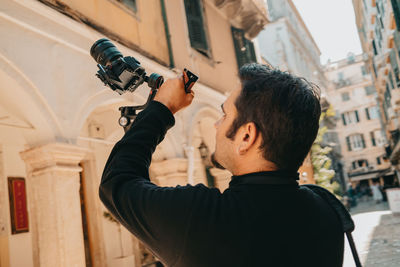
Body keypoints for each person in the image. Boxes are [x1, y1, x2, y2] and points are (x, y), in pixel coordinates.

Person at [99, 64, 344, 267]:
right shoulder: (327, 212)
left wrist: (162, 109)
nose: (216, 125)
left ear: (246, 137)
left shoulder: (201, 219)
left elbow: (117, 182)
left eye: (225, 115)